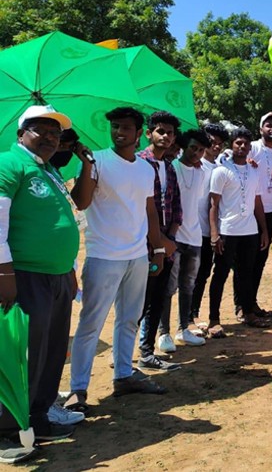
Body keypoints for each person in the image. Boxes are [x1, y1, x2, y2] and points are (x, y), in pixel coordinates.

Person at [68, 107, 171, 411]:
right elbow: (81, 202)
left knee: (129, 319)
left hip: (137, 256)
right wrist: (86, 165)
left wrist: (158, 248)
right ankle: (78, 389)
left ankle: (124, 375)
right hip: (103, 256)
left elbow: (149, 210)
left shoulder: (145, 169)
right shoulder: (97, 161)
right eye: (115, 127)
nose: (119, 132)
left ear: (139, 133)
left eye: (126, 127)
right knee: (91, 323)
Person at [0, 106, 84, 462]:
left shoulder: (48, 169)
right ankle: (5, 434)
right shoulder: (9, 163)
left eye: (56, 132)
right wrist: (4, 275)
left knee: (50, 352)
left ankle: (40, 416)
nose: (51, 137)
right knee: (21, 356)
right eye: (41, 130)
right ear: (21, 134)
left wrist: (69, 267)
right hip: (24, 276)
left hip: (57, 276)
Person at [208, 128, 269, 338]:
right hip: (227, 231)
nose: (242, 147)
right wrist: (215, 233)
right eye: (238, 143)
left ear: (250, 147)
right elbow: (213, 204)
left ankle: (248, 313)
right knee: (221, 274)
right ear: (231, 145)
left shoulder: (254, 170)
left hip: (250, 231)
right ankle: (214, 320)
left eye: (245, 144)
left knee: (246, 273)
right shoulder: (221, 171)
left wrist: (264, 230)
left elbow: (258, 202)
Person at [137, 111, 183, 370]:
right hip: (142, 245)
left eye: (170, 133)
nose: (165, 136)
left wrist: (171, 240)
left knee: (158, 298)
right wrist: (159, 242)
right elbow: (140, 208)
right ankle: (122, 355)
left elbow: (176, 206)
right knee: (138, 301)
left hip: (167, 246)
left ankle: (146, 352)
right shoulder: (138, 163)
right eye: (160, 131)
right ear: (148, 133)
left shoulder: (169, 166)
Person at [160, 129, 212, 348]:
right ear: (183, 146)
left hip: (195, 236)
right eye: (193, 148)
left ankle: (183, 329)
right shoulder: (171, 168)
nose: (197, 153)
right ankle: (163, 333)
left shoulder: (202, 172)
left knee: (188, 285)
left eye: (201, 150)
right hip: (173, 237)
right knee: (168, 287)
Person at [248, 112, 272, 320]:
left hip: (269, 211)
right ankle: (242, 305)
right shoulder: (252, 147)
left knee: (260, 259)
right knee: (247, 260)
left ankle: (251, 302)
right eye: (269, 125)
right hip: (250, 210)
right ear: (261, 128)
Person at [191, 123, 228, 324]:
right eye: (212, 142)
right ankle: (186, 317)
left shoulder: (220, 167)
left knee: (203, 274)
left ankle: (193, 313)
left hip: (207, 231)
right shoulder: (193, 163)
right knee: (188, 277)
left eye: (219, 144)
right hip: (188, 230)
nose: (215, 147)